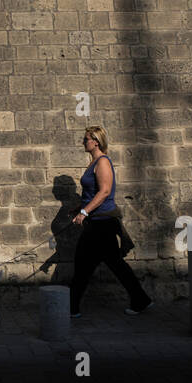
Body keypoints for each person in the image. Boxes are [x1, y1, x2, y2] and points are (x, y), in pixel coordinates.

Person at [69, 126, 154, 317]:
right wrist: (80, 207)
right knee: (112, 265)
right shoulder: (93, 163)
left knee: (83, 265)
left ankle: (71, 308)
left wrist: (84, 211)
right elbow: (92, 193)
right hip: (98, 223)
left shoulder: (103, 162)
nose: (83, 142)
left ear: (96, 142)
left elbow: (105, 191)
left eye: (86, 139)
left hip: (102, 224)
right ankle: (141, 300)